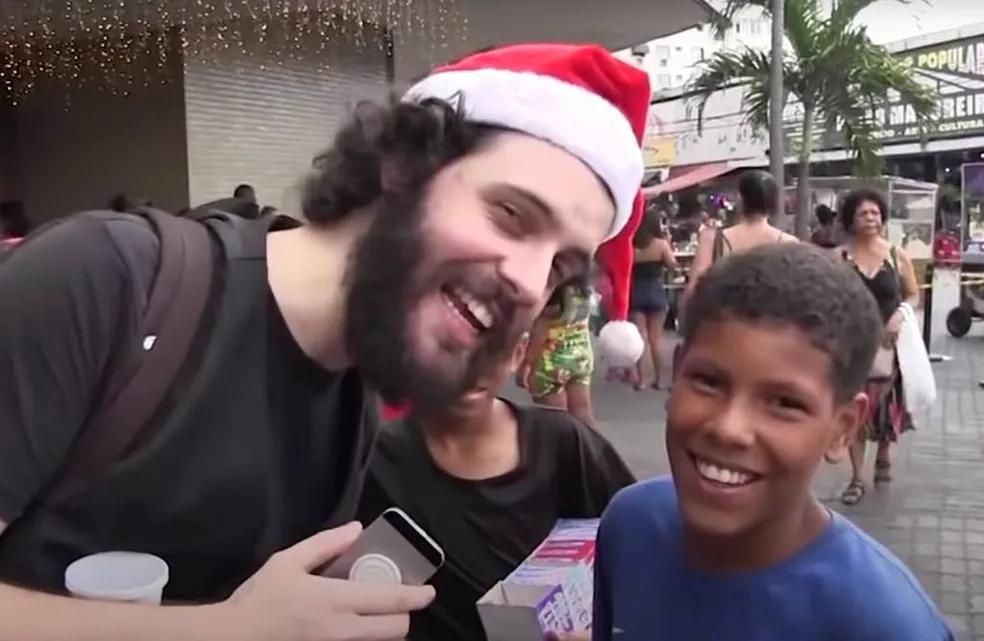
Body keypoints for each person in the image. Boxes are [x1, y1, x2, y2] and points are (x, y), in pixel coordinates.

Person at [0, 43, 650, 641]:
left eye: (560, 265)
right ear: (404, 166)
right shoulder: (104, 280)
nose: (530, 283)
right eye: (510, 214)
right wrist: (227, 631)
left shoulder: (353, 400)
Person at [592, 243, 953, 641]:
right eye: (708, 382)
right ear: (677, 375)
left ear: (843, 428)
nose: (729, 429)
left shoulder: (886, 625)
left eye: (785, 403)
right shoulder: (630, 527)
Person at [358, 334, 634, 641]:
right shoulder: (374, 462)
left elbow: (644, 556)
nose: (472, 368)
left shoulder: (563, 444)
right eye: (452, 347)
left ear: (518, 352)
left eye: (493, 348)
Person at [835, 188, 920, 506]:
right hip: (853, 347)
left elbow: (913, 294)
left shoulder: (896, 255)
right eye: (863, 213)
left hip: (889, 347)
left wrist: (901, 314)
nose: (871, 218)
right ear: (851, 220)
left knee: (885, 409)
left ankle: (883, 453)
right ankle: (857, 477)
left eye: (875, 213)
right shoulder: (839, 258)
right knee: (854, 410)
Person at [686, 170, 797, 298]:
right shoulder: (789, 244)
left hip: (726, 309)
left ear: (740, 199)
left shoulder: (713, 240)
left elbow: (693, 291)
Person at [520, 275, 598, 427]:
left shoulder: (553, 292)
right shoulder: (582, 287)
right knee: (583, 413)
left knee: (557, 421)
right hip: (580, 356)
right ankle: (590, 441)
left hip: (549, 363)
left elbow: (540, 334)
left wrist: (526, 363)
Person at [629, 210, 677, 390]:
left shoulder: (631, 245)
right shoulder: (661, 245)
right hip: (655, 290)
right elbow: (672, 265)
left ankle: (642, 380)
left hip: (636, 291)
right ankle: (660, 379)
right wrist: (668, 243)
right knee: (656, 339)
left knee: (640, 338)